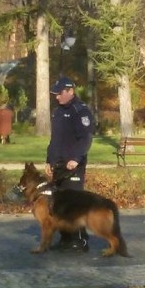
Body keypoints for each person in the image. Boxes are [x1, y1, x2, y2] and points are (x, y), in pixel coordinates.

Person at [46, 76, 95, 252]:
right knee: (60, 205)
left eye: (59, 93)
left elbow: (86, 138)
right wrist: (49, 160)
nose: (57, 97)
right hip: (59, 166)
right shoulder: (57, 112)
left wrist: (76, 158)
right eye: (55, 94)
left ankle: (80, 240)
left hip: (73, 166)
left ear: (70, 91)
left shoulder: (80, 111)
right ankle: (66, 238)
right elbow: (55, 139)